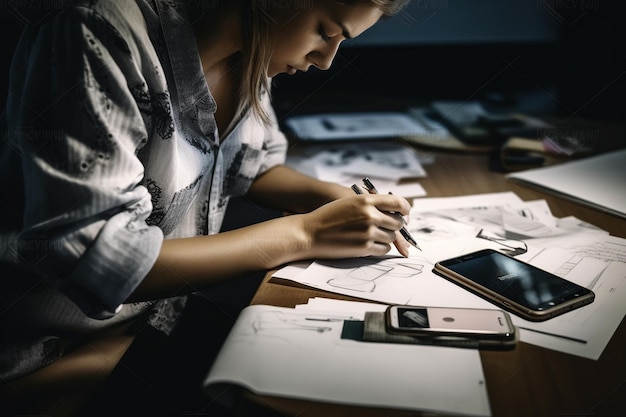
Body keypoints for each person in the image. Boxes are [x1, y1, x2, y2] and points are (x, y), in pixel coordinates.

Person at [0, 0, 412, 414]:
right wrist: (305, 234)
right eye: (325, 32)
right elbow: (100, 259)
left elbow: (251, 167)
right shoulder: (93, 30)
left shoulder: (253, 49)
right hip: (44, 361)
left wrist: (331, 198)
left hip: (152, 326)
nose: (326, 62)